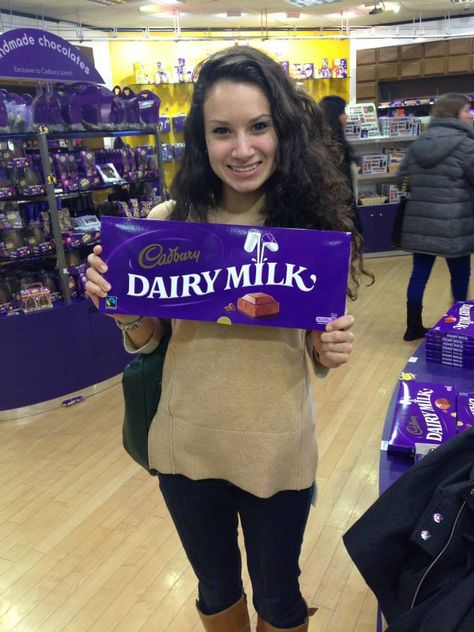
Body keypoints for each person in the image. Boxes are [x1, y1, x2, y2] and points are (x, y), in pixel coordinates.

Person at [86, 46, 369, 632]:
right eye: (223, 131)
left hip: (276, 445)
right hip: (186, 446)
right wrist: (120, 309)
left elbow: (317, 349)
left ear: (281, 130)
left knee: (279, 596)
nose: (242, 149)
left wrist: (329, 349)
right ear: (202, 139)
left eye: (258, 126)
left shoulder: (310, 232)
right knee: (215, 589)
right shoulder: (166, 225)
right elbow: (146, 342)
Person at [397, 93, 474, 341]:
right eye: (466, 111)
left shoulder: (419, 142)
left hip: (419, 220)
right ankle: (457, 325)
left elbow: (401, 181)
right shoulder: (467, 144)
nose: (470, 115)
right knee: (460, 273)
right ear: (454, 114)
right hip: (456, 221)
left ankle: (413, 326)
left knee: (419, 273)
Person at [319, 95, 361, 232]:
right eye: (343, 112)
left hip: (341, 214)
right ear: (334, 115)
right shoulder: (331, 149)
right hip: (337, 217)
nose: (346, 117)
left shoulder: (335, 144)